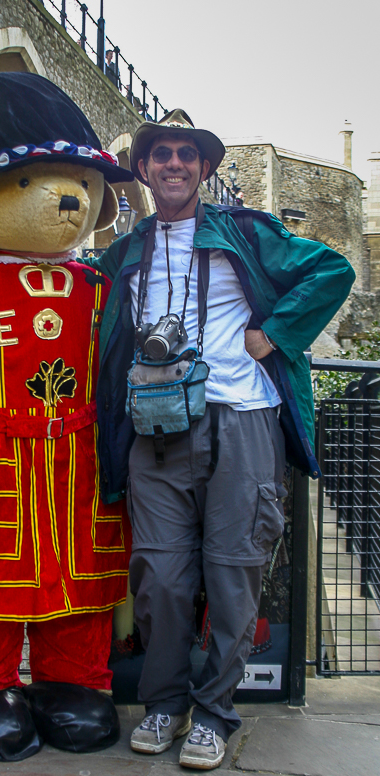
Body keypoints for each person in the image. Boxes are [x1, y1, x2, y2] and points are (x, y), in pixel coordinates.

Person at [83, 109, 355, 770]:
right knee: (160, 577)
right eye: (160, 155)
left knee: (232, 574)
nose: (172, 164)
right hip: (153, 428)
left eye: (185, 154)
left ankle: (213, 712)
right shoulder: (122, 253)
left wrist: (274, 334)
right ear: (143, 170)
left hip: (240, 420)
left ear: (203, 168)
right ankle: (164, 702)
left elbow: (331, 271)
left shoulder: (246, 233)